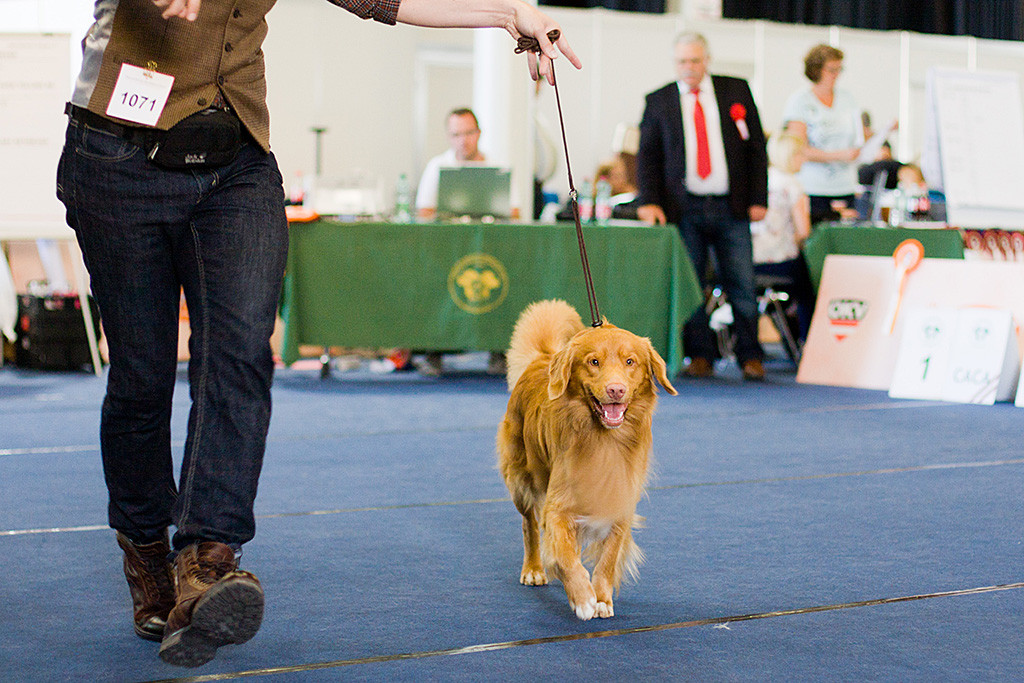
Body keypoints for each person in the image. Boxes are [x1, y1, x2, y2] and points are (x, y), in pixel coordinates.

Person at [56, 0, 579, 669]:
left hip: (233, 164)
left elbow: (387, 1)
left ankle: (205, 566)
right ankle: (147, 557)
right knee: (142, 378)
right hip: (116, 155)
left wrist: (509, 14)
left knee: (242, 353)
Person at [635, 32, 768, 381]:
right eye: (682, 61)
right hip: (684, 209)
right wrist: (648, 202)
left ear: (707, 60)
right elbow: (646, 157)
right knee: (691, 285)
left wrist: (759, 198)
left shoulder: (735, 91)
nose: (689, 67)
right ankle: (700, 355)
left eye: (695, 60)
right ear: (674, 63)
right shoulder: (659, 100)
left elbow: (757, 149)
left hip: (732, 207)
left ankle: (751, 356)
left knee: (742, 283)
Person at [782, 44, 864, 224]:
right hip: (813, 187)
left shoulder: (847, 99)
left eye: (839, 69)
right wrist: (838, 155)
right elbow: (798, 148)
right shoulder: (800, 101)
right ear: (816, 70)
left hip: (845, 186)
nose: (836, 75)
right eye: (831, 70)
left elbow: (857, 137)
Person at [750, 132, 815, 341]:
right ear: (791, 156)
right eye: (801, 155)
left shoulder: (758, 181)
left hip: (747, 261)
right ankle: (807, 341)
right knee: (810, 286)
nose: (805, 160)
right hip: (779, 262)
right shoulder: (793, 186)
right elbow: (803, 232)